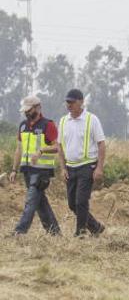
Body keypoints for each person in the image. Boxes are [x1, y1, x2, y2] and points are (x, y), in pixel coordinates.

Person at [58, 88, 106, 237]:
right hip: (70, 168)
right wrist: (62, 168)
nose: (69, 105)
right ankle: (96, 227)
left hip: (87, 167)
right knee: (72, 204)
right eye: (67, 102)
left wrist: (99, 168)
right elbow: (59, 145)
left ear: (81, 102)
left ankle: (80, 233)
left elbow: (101, 144)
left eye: (72, 102)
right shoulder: (64, 121)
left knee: (81, 201)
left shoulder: (92, 120)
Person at [9, 96, 61, 236]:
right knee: (40, 203)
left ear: (38, 108)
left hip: (42, 172)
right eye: (25, 110)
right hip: (27, 171)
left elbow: (57, 147)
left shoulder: (48, 125)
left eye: (29, 110)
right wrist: (14, 170)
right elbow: (18, 149)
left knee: (31, 201)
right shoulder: (23, 126)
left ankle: (20, 232)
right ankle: (55, 233)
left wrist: (41, 150)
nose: (26, 113)